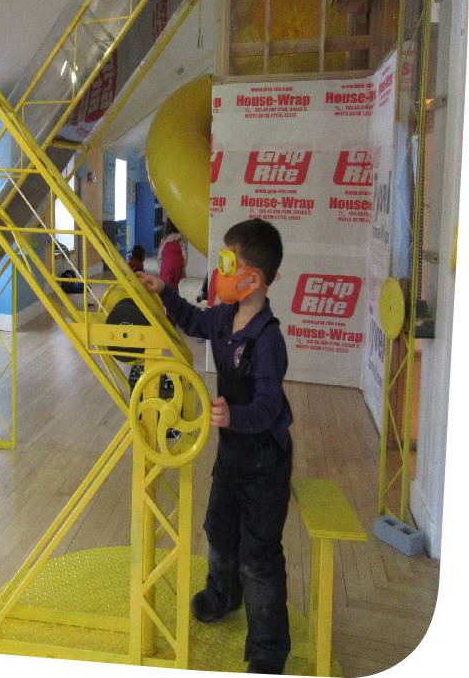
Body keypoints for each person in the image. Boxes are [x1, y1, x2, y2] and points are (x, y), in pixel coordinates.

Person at [137, 218, 292, 675]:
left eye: (227, 262)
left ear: (253, 279)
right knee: (219, 530)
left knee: (259, 557)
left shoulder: (268, 340)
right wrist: (163, 290)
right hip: (231, 457)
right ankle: (222, 597)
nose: (218, 271)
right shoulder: (224, 317)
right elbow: (192, 319)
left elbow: (269, 405)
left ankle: (267, 648)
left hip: (265, 464)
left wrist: (234, 417)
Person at [157, 218, 187, 289]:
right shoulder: (182, 239)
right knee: (177, 286)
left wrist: (162, 266)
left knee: (165, 288)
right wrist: (183, 268)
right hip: (178, 268)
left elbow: (159, 256)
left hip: (166, 268)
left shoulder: (164, 239)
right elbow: (184, 256)